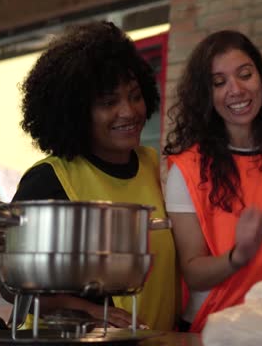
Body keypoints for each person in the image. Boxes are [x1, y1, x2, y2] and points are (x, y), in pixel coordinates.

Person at [12, 21, 178, 331]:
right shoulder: (49, 179)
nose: (128, 112)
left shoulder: (153, 165)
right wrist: (87, 310)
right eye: (108, 103)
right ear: (75, 112)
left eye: (134, 96)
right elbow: (12, 287)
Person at [163, 30, 262, 333]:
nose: (237, 89)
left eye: (245, 74)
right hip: (216, 326)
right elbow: (193, 273)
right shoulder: (187, 168)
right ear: (206, 95)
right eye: (219, 82)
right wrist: (237, 257)